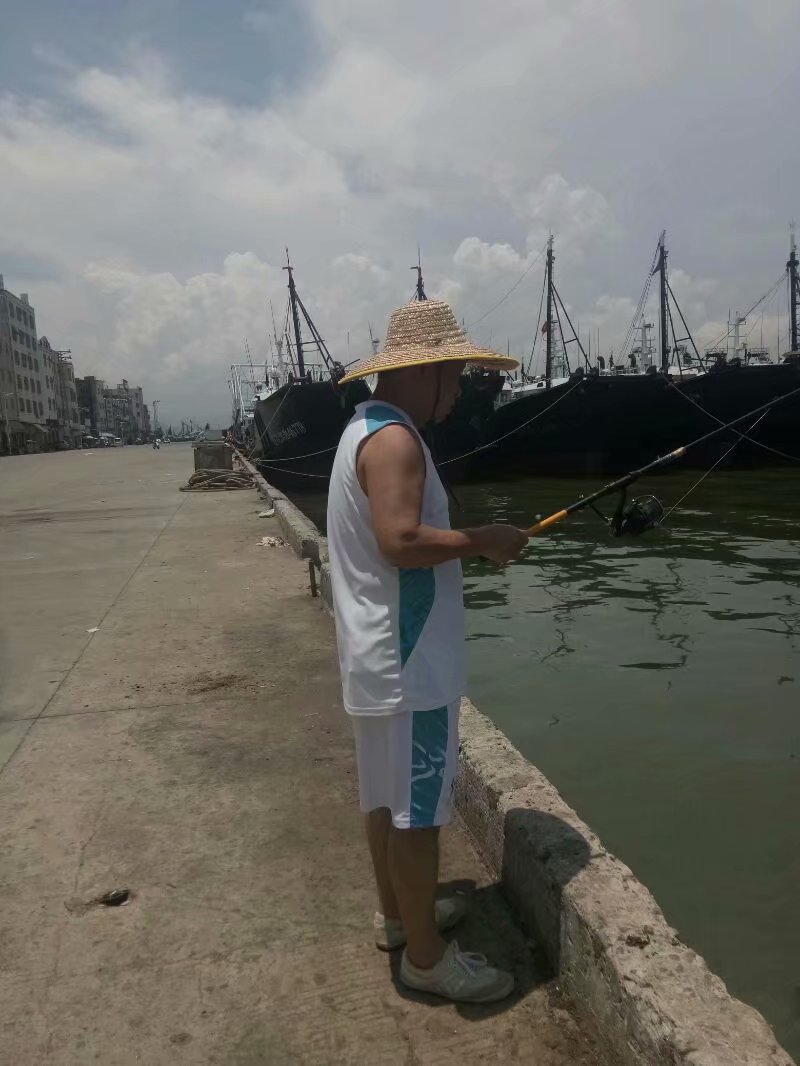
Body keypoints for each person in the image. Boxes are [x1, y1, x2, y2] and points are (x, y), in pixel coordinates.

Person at [327, 297, 528, 1003]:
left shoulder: (363, 429)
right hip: (410, 667)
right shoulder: (397, 442)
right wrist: (486, 539)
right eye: (458, 374)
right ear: (426, 371)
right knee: (418, 813)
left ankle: (398, 918)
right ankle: (427, 958)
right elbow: (401, 541)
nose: (462, 389)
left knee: (385, 801)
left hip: (375, 659)